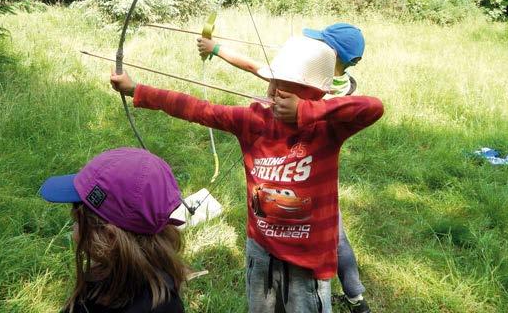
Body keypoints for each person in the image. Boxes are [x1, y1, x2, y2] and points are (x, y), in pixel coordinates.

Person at [110, 36, 384, 313]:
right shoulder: (254, 121)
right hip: (262, 248)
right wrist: (137, 90)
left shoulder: (327, 129)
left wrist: (307, 112)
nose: (273, 90)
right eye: (274, 82)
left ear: (311, 95)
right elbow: (198, 109)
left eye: (286, 87)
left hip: (308, 256)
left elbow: (373, 107)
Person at [197, 23, 371, 313]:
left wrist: (300, 110)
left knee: (333, 239)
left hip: (311, 186)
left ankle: (354, 296)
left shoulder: (324, 85)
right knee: (336, 237)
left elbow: (369, 108)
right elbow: (260, 70)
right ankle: (356, 297)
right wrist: (215, 48)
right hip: (297, 192)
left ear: (333, 56)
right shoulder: (318, 72)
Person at [39, 147, 187, 313]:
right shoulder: (164, 289)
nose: (73, 229)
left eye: (76, 221)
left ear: (109, 238)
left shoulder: (94, 302)